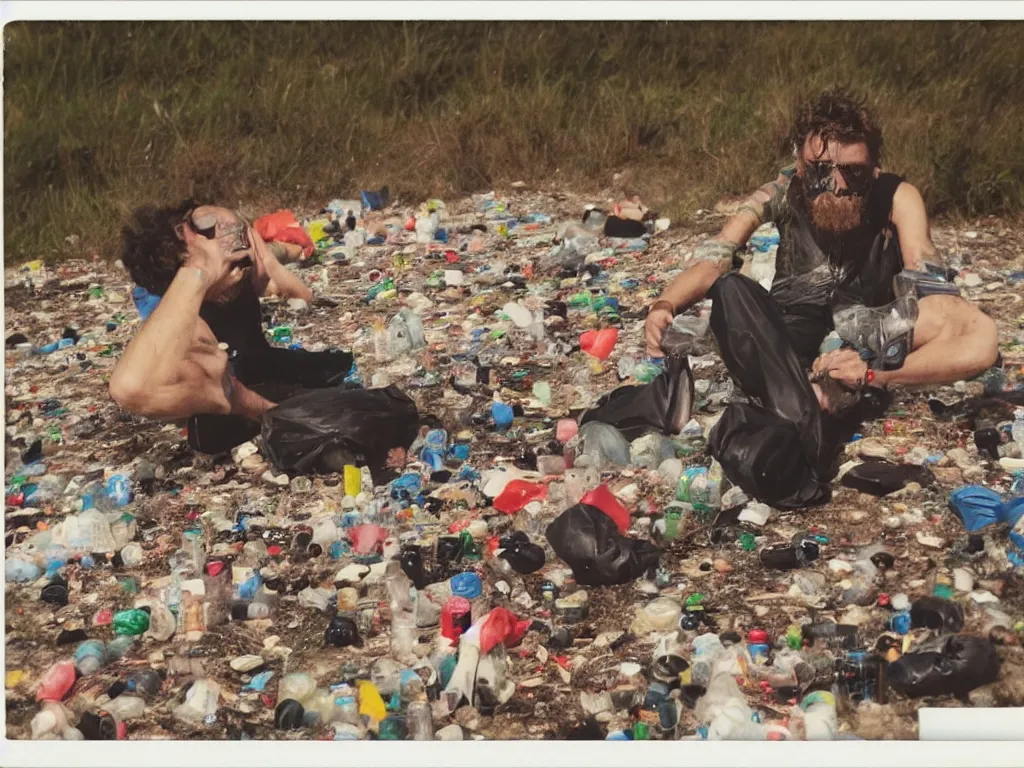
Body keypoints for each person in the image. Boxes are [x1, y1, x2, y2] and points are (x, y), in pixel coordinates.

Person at [644, 88, 999, 410]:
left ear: (874, 169)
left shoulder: (896, 196)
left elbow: (925, 273)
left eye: (853, 172)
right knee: (732, 291)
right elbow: (716, 259)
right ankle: (801, 392)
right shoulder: (781, 191)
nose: (837, 186)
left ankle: (851, 383)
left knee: (977, 331)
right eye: (821, 170)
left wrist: (873, 369)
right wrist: (665, 305)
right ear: (801, 164)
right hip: (790, 330)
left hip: (868, 334)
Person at [109, 202, 355, 455]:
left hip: (258, 365)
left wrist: (261, 254)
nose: (241, 268)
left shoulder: (240, 269)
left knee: (340, 369)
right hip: (234, 403)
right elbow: (129, 389)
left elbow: (300, 293)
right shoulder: (190, 322)